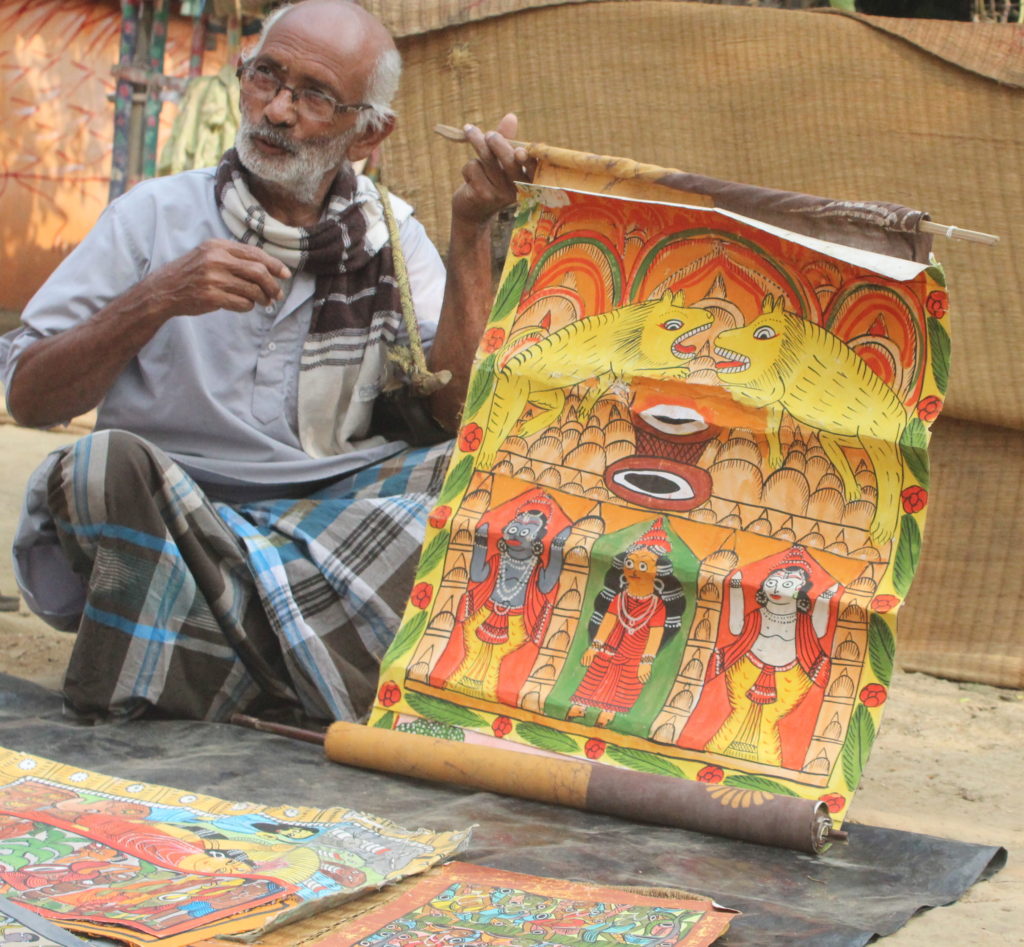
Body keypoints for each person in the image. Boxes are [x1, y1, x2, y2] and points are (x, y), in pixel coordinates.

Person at [0, 0, 533, 724]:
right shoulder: (153, 216)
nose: (277, 110)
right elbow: (32, 400)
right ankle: (306, 662)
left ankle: (200, 656)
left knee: (492, 477)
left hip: (328, 517)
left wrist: (471, 231)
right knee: (93, 468)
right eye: (266, 78)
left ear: (368, 133)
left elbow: (458, 412)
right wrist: (156, 298)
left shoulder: (394, 241)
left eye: (314, 96)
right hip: (175, 512)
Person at [565, 518, 685, 727]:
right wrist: (594, 647)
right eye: (630, 563)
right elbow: (607, 622)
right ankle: (581, 707)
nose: (635, 570)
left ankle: (608, 713)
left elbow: (656, 634)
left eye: (643, 565)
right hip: (611, 645)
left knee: (625, 682)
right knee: (597, 673)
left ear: (656, 572)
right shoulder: (619, 598)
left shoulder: (657, 606)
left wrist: (646, 661)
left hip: (635, 652)